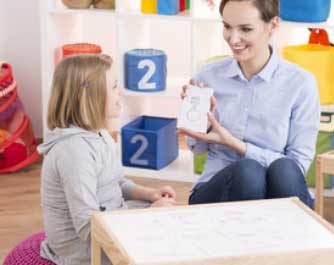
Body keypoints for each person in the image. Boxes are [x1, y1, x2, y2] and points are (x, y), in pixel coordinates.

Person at [38, 54, 176, 265]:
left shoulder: (99, 135)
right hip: (84, 250)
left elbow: (117, 183)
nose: (120, 92)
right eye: (113, 87)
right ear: (90, 97)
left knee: (171, 217)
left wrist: (150, 194)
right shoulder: (74, 152)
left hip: (109, 219)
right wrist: (149, 217)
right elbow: (87, 228)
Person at [180, 0, 320, 208]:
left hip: (280, 188)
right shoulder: (208, 75)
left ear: (273, 25)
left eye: (245, 29)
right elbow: (197, 148)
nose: (233, 39)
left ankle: (285, 234)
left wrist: (236, 144)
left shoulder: (300, 83)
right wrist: (198, 119)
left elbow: (297, 166)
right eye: (227, 26)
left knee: (282, 169)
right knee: (248, 173)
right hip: (217, 189)